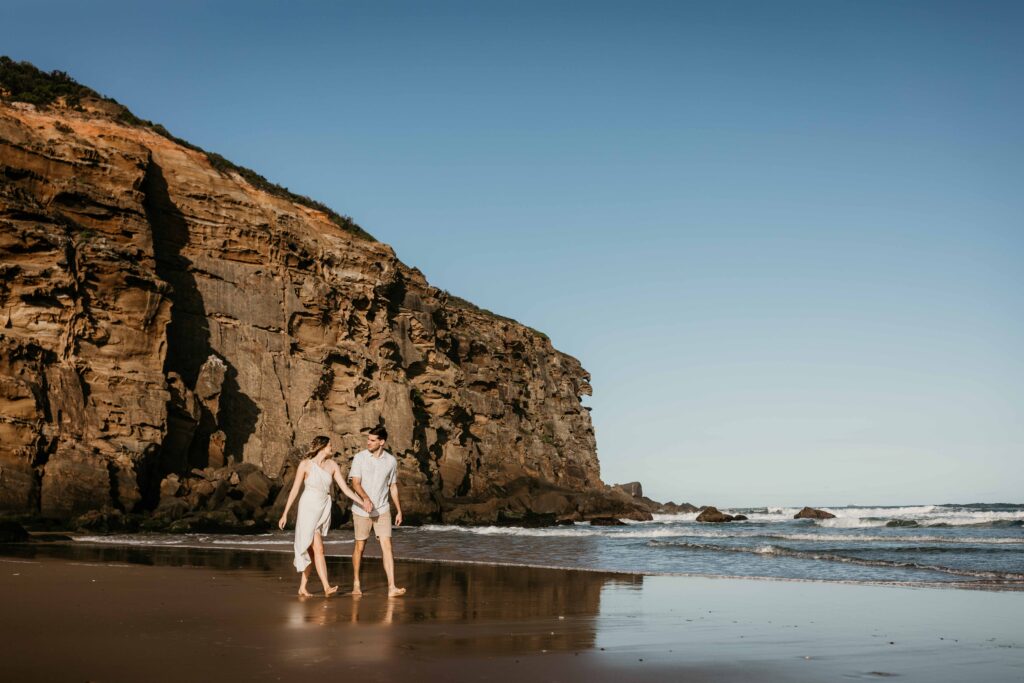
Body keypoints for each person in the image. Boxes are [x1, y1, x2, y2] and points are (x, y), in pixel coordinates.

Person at [278, 435, 371, 597]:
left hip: (322, 508)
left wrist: (362, 501)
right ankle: (327, 587)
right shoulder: (305, 465)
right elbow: (294, 490)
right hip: (308, 507)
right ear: (321, 447)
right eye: (329, 445)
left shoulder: (332, 465)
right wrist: (285, 513)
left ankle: (302, 588)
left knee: (313, 551)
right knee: (318, 548)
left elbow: (346, 489)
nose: (332, 448)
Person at [349, 426, 406, 597]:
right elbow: (355, 483)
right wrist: (366, 499)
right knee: (360, 546)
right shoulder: (359, 458)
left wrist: (399, 510)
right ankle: (356, 583)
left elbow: (392, 486)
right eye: (368, 439)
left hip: (382, 509)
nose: (369, 442)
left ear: (382, 442)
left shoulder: (391, 461)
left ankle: (392, 587)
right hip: (361, 510)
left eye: (373, 440)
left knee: (387, 546)